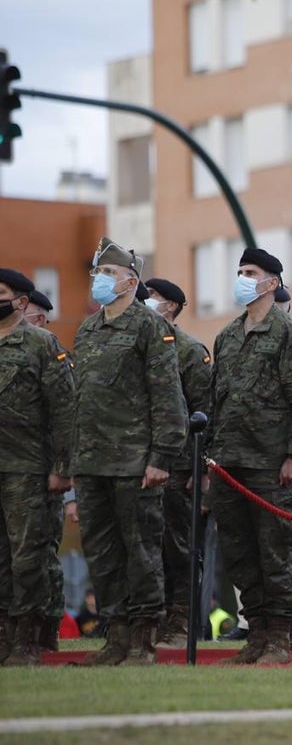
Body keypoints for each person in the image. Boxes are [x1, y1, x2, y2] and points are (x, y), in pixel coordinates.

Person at [208, 247, 292, 665]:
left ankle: (279, 636)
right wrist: (211, 460)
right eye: (239, 270)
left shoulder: (289, 332)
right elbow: (217, 401)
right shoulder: (226, 336)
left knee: (276, 554)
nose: (241, 277)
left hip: (271, 464)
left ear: (271, 283)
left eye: (250, 272)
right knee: (241, 556)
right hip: (230, 463)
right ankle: (256, 632)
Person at [71, 238, 188, 666]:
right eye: (96, 273)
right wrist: (72, 463)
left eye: (107, 274)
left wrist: (161, 458)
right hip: (91, 461)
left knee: (141, 552)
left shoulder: (149, 327)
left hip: (134, 462)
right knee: (102, 554)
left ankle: (142, 640)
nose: (98, 281)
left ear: (130, 282)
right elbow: (77, 400)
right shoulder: (88, 329)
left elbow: (167, 398)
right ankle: (115, 636)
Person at [0, 268, 75, 666]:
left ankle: (28, 639)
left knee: (27, 558)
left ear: (21, 301)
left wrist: (63, 467)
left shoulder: (42, 344)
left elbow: (65, 410)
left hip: (28, 469)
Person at [143, 278, 213, 648]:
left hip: (180, 466)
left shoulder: (187, 350)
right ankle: (148, 619)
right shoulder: (141, 343)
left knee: (179, 548)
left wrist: (199, 471)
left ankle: (181, 622)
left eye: (153, 298)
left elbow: (205, 412)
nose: (147, 302)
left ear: (170, 307)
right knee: (145, 547)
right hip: (141, 464)